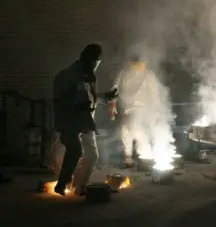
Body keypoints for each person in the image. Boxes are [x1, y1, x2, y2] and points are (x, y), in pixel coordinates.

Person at [53, 44, 118, 195]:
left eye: (98, 61)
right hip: (71, 122)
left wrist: (107, 97)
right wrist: (75, 106)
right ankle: (62, 184)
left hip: (86, 122)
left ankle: (79, 187)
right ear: (88, 60)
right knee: (75, 150)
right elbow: (61, 101)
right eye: (95, 61)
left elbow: (91, 99)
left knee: (92, 156)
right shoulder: (67, 76)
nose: (96, 65)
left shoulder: (88, 77)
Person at [111, 55, 160, 167]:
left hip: (142, 108)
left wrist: (156, 110)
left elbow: (154, 93)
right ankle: (128, 158)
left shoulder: (148, 74)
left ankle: (145, 156)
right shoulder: (123, 74)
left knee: (138, 130)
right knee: (125, 132)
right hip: (125, 108)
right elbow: (115, 88)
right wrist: (112, 105)